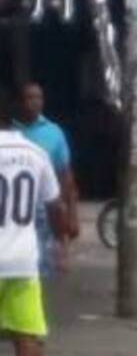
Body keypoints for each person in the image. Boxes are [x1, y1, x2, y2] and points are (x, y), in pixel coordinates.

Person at [0, 92, 69, 356]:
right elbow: (55, 205)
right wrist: (60, 242)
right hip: (22, 260)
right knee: (27, 334)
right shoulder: (35, 153)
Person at [14, 83, 79, 275]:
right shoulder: (9, 131)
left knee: (44, 271)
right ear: (19, 102)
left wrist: (72, 214)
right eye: (29, 97)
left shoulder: (54, 132)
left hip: (46, 211)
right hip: (14, 212)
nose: (35, 102)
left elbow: (65, 176)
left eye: (39, 97)